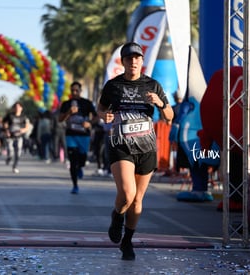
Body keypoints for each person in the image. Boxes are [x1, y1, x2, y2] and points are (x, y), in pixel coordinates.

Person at [97, 42, 174, 261]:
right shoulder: (113, 86)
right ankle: (117, 215)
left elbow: (169, 117)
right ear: (123, 61)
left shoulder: (153, 85)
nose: (133, 61)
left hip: (147, 147)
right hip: (121, 145)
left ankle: (127, 242)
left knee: (138, 201)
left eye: (137, 57)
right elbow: (100, 108)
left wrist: (160, 103)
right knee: (127, 196)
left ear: (142, 61)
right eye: (129, 58)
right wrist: (105, 116)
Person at [59, 81, 97, 194]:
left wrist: (89, 123)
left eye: (77, 90)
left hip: (84, 135)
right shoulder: (66, 104)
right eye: (72, 90)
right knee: (72, 160)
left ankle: (81, 166)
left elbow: (96, 117)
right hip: (71, 135)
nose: (74, 92)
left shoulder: (87, 103)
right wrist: (68, 113)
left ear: (80, 91)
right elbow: (60, 119)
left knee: (82, 159)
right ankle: (75, 185)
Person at [3, 101, 29, 174]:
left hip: (19, 136)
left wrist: (23, 130)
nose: (17, 108)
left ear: (21, 108)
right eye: (16, 107)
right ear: (14, 108)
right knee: (10, 151)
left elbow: (27, 126)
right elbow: (5, 123)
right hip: (10, 136)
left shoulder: (24, 117)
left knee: (18, 153)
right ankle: (9, 158)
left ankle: (15, 166)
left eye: (19, 107)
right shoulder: (10, 115)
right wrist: (7, 131)